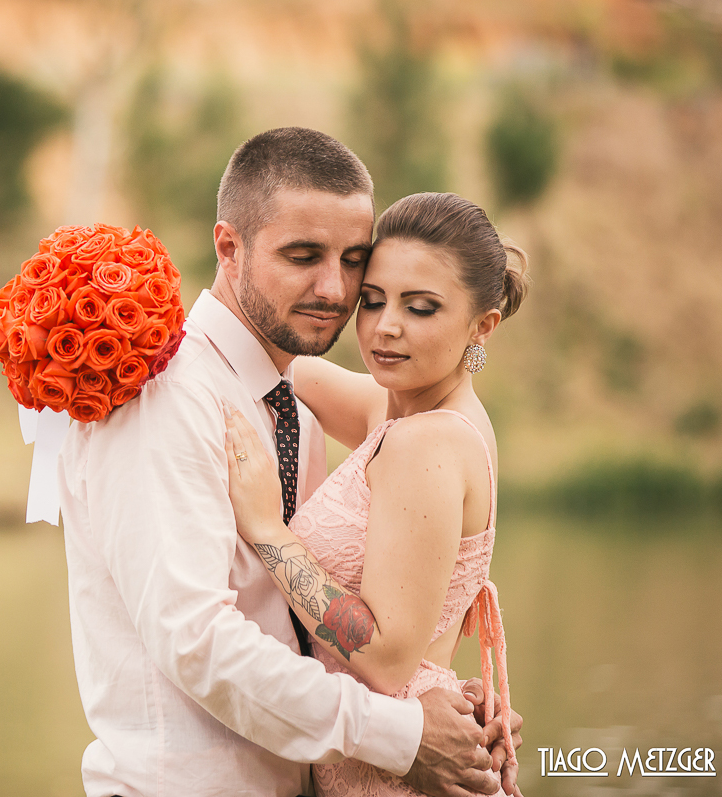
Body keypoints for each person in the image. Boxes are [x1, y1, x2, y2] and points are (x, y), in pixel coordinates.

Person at [58, 127, 521, 797]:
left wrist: (439, 698)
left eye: (352, 260)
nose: (333, 288)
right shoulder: (171, 399)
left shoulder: (288, 403)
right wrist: (402, 733)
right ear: (228, 248)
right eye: (303, 255)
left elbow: (301, 624)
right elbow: (198, 642)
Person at [222, 191, 528, 796]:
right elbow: (277, 364)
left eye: (421, 308)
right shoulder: (398, 408)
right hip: (375, 746)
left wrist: (267, 531)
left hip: (399, 764)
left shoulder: (429, 444)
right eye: (373, 301)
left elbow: (386, 657)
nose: (386, 327)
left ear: (481, 326)